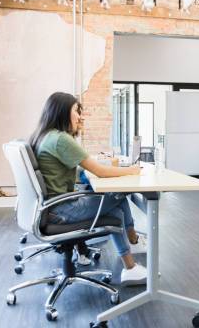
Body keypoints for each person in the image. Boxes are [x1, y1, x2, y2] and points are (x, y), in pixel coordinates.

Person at [30, 92, 147, 285]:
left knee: (115, 207)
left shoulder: (45, 136)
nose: (81, 116)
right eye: (77, 111)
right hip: (62, 210)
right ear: (61, 112)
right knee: (119, 195)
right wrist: (132, 171)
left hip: (51, 208)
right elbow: (100, 171)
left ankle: (131, 264)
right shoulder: (61, 139)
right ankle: (133, 246)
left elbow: (70, 171)